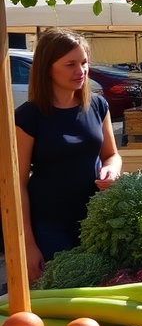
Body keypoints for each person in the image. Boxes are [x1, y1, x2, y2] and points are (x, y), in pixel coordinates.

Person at [15, 29, 122, 280]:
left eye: (84, 62)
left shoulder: (98, 105)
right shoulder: (28, 116)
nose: (81, 71)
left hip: (96, 222)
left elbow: (112, 155)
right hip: (49, 226)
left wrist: (112, 170)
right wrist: (27, 245)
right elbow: (16, 184)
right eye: (70, 64)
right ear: (47, 68)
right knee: (64, 289)